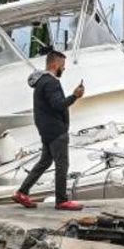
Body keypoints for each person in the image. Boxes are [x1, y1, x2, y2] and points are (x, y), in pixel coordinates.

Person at [13, 48, 86, 210]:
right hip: (56, 130)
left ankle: (22, 192)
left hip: (45, 129)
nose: (64, 68)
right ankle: (61, 200)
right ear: (54, 64)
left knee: (45, 162)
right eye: (62, 65)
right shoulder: (52, 82)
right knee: (62, 164)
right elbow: (57, 105)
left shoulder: (41, 82)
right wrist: (75, 96)